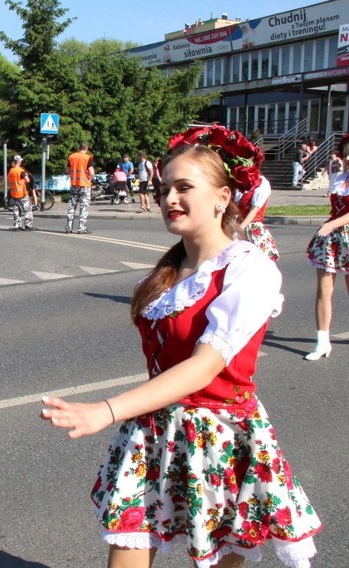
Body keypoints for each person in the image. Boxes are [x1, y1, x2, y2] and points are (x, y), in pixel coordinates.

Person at [41, 126, 321, 568]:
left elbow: (204, 367)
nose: (169, 198)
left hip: (220, 439)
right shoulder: (164, 276)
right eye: (163, 188)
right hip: (154, 432)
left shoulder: (250, 270)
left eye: (184, 187)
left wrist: (107, 409)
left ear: (222, 196)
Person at [303, 133, 349, 361]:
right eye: (347, 151)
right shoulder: (339, 178)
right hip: (331, 237)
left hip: (342, 233)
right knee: (323, 290)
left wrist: (332, 223)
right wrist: (331, 225)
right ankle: (322, 342)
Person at [235, 175, 279, 261]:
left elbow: (254, 210)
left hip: (251, 229)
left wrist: (240, 228)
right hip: (236, 225)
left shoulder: (262, 183)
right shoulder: (239, 183)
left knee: (257, 262)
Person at [65, 142, 95, 234]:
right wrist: (92, 177)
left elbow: (67, 171)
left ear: (79, 148)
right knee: (84, 207)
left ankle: (68, 228)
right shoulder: (88, 158)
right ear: (87, 149)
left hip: (74, 185)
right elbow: (91, 172)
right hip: (84, 185)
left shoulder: (72, 157)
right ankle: (81, 228)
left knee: (71, 206)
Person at [7, 154, 35, 230]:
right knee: (27, 210)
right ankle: (28, 225)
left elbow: (9, 181)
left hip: (14, 194)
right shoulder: (21, 171)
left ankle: (17, 225)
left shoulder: (11, 171)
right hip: (22, 193)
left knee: (16, 210)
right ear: (19, 161)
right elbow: (27, 180)